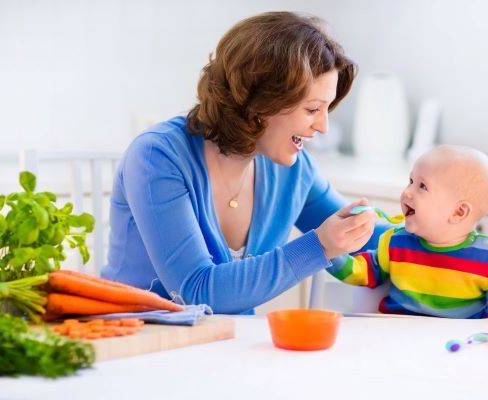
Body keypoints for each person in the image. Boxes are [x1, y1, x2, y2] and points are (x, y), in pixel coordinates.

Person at [101, 12, 384, 314]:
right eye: (312, 109)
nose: (323, 126)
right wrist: (319, 246)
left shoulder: (294, 171)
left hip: (228, 347)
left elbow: (370, 240)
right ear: (262, 102)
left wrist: (427, 222)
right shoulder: (157, 157)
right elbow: (197, 291)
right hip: (139, 343)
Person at [327, 145, 488, 319]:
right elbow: (362, 272)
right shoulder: (395, 242)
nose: (407, 192)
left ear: (458, 212)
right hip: (397, 339)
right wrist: (329, 251)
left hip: (456, 348)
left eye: (422, 186)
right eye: (410, 181)